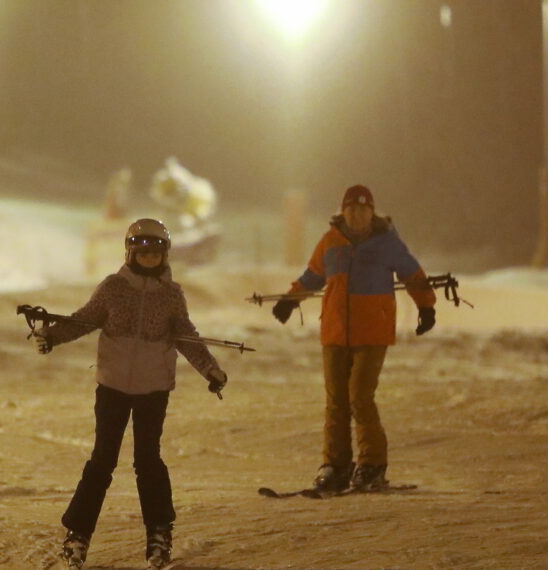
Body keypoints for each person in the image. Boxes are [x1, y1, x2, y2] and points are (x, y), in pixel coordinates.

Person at [33, 218, 229, 569]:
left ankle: (158, 532)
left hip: (153, 391)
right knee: (102, 461)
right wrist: (51, 335)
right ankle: (78, 533)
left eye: (156, 254)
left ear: (165, 256)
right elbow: (83, 320)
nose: (150, 259)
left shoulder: (171, 297)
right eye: (143, 253)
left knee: (148, 461)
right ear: (131, 252)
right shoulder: (113, 289)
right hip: (112, 388)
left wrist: (210, 370)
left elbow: (188, 338)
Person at [271, 184, 437, 493]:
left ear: (371, 212)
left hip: (372, 332)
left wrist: (426, 307)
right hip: (335, 332)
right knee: (336, 401)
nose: (356, 214)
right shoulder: (330, 242)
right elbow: (313, 275)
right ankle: (336, 464)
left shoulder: (387, 243)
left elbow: (413, 274)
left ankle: (372, 464)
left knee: (360, 395)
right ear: (342, 211)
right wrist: (290, 300)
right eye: (351, 209)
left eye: (362, 209)